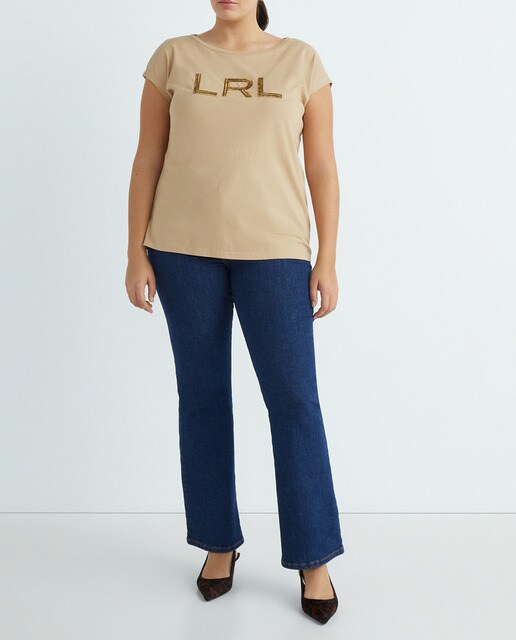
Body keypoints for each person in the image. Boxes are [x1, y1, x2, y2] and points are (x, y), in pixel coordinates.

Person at [125, 0, 344, 624]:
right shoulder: (172, 57)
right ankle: (218, 542)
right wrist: (135, 252)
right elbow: (148, 157)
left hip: (275, 252)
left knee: (294, 400)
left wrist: (327, 259)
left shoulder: (301, 61)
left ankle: (314, 556)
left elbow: (321, 166)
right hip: (180, 250)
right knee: (202, 398)